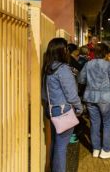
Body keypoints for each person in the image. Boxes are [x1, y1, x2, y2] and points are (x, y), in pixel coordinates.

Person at [41, 38, 83, 172]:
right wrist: (79, 107)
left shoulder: (47, 68)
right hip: (63, 111)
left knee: (55, 143)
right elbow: (71, 94)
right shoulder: (63, 69)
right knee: (61, 146)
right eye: (66, 49)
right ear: (61, 50)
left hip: (51, 110)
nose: (67, 51)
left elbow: (43, 94)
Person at [78, 43, 110, 158]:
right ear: (106, 54)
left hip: (90, 96)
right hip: (105, 97)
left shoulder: (88, 64)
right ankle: (106, 149)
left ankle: (96, 149)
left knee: (94, 123)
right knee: (107, 123)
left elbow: (81, 79)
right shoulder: (108, 65)